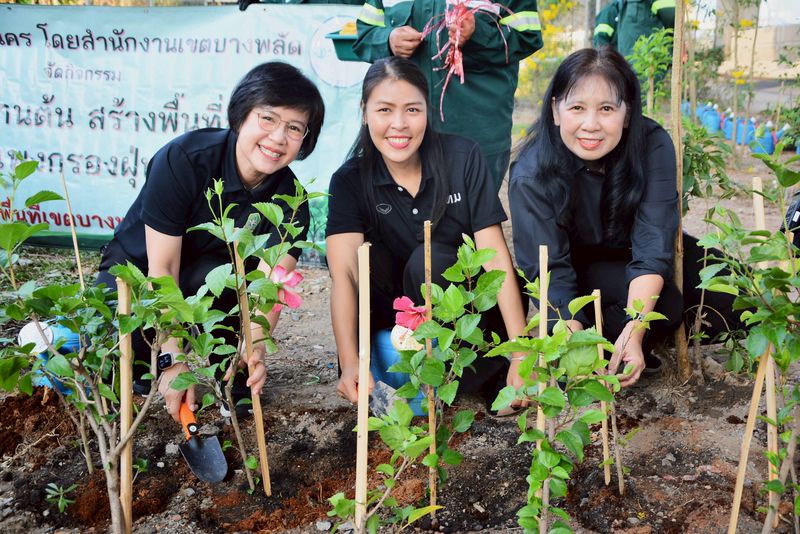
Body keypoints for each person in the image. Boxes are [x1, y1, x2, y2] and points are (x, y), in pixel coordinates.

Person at [96, 62, 324, 421]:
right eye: (267, 118)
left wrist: (255, 348)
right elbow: (162, 267)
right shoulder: (184, 160)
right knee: (118, 363)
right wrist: (172, 357)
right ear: (241, 115)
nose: (279, 137)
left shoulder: (292, 203)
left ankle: (231, 374)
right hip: (139, 274)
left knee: (223, 285)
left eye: (294, 127)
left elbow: (272, 287)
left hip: (214, 280)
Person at [509, 47, 739, 388]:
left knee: (736, 298)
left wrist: (635, 328)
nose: (591, 125)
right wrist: (576, 351)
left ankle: (634, 340)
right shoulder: (531, 173)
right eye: (577, 108)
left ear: (627, 113)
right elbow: (549, 272)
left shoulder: (651, 144)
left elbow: (654, 242)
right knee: (666, 305)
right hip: (577, 271)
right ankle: (597, 349)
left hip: (638, 253)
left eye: (606, 109)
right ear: (556, 111)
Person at [326, 56, 529, 411]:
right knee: (368, 261)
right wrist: (350, 361)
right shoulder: (349, 181)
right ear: (364, 112)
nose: (399, 124)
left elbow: (495, 256)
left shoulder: (462, 157)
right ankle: (413, 373)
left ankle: (484, 371)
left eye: (412, 110)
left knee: (430, 261)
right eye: (384, 110)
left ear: (428, 111)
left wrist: (521, 353)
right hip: (395, 324)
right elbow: (345, 276)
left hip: (465, 316)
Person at [353, 0, 543, 191]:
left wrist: (478, 34)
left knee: (473, 207)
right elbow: (365, 34)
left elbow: (527, 37)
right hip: (402, 134)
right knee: (400, 207)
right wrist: (388, 40)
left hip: (476, 132)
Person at [595, 0, 675, 57]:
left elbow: (673, 19)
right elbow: (600, 40)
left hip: (651, 62)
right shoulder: (611, 10)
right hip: (631, 64)